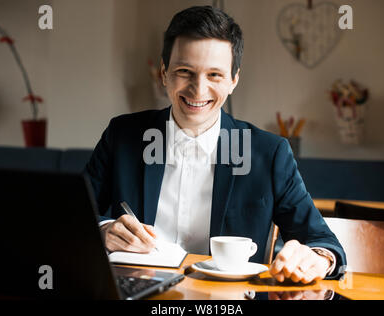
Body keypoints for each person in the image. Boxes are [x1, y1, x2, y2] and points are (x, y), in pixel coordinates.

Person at [85, 6, 346, 284]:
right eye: (185, 71)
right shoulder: (122, 135)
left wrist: (317, 259)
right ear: (164, 73)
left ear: (234, 80)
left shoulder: (269, 153)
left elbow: (323, 241)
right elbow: (69, 217)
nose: (198, 90)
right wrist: (103, 230)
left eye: (214, 75)